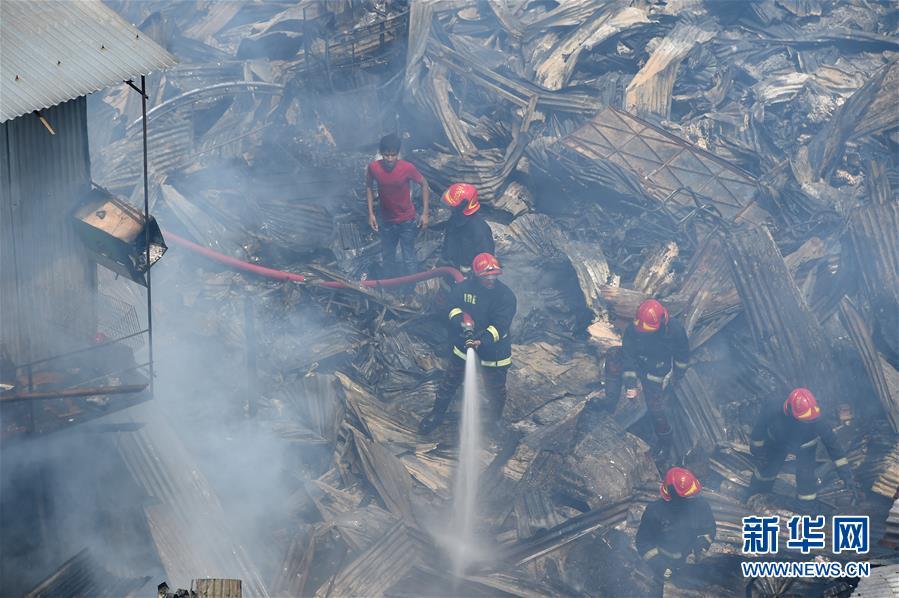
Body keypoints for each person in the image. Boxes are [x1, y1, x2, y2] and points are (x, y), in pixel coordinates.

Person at [418, 253, 516, 437]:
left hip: (494, 351)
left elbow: (501, 326)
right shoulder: (463, 288)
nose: (491, 280)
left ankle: (494, 421)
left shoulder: (505, 296)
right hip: (464, 344)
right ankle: (437, 414)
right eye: (486, 276)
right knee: (449, 382)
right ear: (476, 275)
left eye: (494, 276)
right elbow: (451, 307)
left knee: (496, 390)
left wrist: (483, 340)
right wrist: (460, 321)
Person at [576, 299, 688, 458]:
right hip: (637, 363)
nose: (642, 331)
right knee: (614, 354)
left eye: (646, 329)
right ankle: (610, 403)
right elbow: (628, 357)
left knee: (655, 408)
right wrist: (631, 385)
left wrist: (678, 374)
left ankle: (665, 443)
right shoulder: (633, 329)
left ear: (661, 322)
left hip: (655, 370)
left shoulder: (674, 329)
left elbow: (682, 354)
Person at [747, 387, 858, 503]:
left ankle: (806, 506)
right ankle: (756, 496)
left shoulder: (817, 418)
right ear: (790, 411)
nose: (809, 423)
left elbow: (833, 446)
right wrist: (758, 452)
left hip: (806, 447)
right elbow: (759, 429)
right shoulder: (773, 408)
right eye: (805, 420)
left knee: (806, 481)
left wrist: (847, 476)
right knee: (765, 472)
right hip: (777, 443)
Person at [636, 467, 717, 587]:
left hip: (689, 562)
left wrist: (700, 546)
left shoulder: (701, 505)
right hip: (663, 562)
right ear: (676, 498)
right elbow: (643, 542)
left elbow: (710, 530)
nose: (694, 499)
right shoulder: (655, 511)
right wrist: (659, 566)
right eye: (689, 497)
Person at [366, 134, 430, 276]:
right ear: (381, 153)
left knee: (409, 258)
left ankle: (412, 286)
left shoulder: (407, 168)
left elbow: (424, 184)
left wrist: (425, 213)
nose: (390, 159)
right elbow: (369, 187)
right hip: (386, 221)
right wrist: (371, 214)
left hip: (406, 221)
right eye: (386, 155)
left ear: (398, 154)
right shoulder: (373, 168)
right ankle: (390, 285)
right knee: (388, 258)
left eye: (393, 155)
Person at [439, 183, 495, 274]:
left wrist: (470, 274)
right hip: (451, 268)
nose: (449, 207)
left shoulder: (480, 231)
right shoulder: (454, 220)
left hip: (468, 276)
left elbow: (486, 263)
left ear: (463, 205)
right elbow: (448, 245)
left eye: (451, 206)